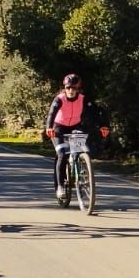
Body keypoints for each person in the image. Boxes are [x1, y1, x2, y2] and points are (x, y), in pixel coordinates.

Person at [43, 73, 109, 201]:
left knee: (80, 150)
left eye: (74, 88)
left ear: (78, 89)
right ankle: (60, 187)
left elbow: (95, 113)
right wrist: (49, 127)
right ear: (65, 88)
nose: (71, 91)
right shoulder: (59, 99)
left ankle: (79, 166)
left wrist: (103, 125)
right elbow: (51, 114)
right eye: (68, 88)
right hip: (58, 128)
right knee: (62, 154)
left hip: (75, 126)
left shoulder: (83, 99)